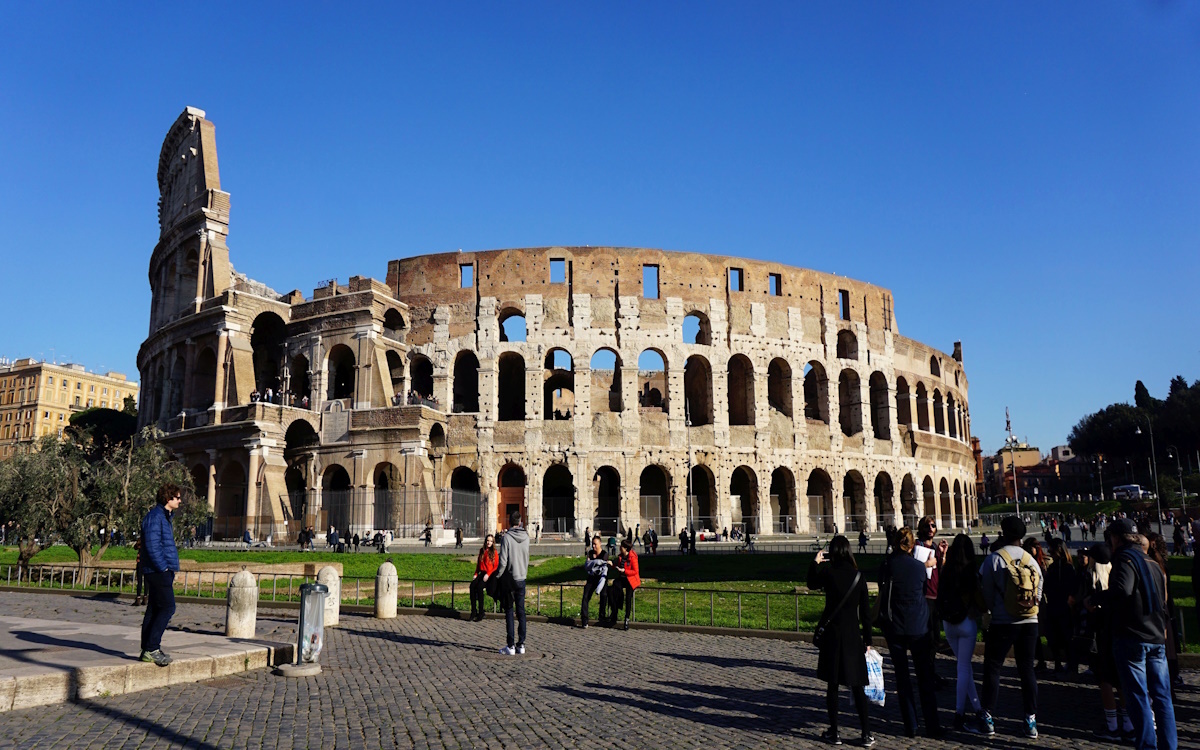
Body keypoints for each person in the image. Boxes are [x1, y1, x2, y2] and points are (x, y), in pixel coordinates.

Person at [1108, 519, 1177, 750]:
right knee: (1162, 698)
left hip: (1133, 636)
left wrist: (1095, 600)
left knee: (1138, 698)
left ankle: (1147, 746)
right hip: (1156, 636)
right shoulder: (1153, 561)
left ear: (1116, 538)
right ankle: (1170, 746)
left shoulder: (1125, 557)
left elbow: (1121, 590)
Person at [978, 515, 1042, 739]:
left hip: (1003, 622)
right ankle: (1030, 720)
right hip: (1030, 622)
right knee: (1027, 670)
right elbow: (1039, 593)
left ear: (1003, 534)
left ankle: (987, 717)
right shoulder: (1032, 561)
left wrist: (994, 610)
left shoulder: (995, 559)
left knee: (993, 668)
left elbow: (985, 593)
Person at [808, 535, 874, 747]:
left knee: (833, 686)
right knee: (857, 686)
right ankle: (866, 734)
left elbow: (811, 583)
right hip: (853, 636)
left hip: (833, 636)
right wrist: (868, 640)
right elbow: (865, 613)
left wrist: (815, 562)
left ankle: (834, 732)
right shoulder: (858, 576)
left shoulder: (828, 573)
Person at [880, 526, 941, 739]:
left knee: (902, 678)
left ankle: (911, 726)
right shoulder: (918, 567)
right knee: (924, 676)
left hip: (895, 626)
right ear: (912, 545)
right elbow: (923, 590)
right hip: (918, 626)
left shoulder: (887, 565)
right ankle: (932, 725)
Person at [937, 533, 985, 733]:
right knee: (963, 668)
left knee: (964, 668)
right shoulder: (971, 570)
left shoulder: (947, 569)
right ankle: (959, 714)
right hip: (966, 622)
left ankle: (978, 708)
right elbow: (980, 600)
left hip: (948, 622)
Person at [139, 484, 182, 667]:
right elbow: (152, 545)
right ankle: (152, 648)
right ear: (168, 499)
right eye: (177, 497)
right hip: (158, 571)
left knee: (154, 609)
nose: (180, 500)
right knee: (167, 608)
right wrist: (163, 568)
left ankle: (148, 649)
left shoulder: (164, 517)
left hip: (161, 570)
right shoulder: (155, 517)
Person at [496, 511, 530, 655]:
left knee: (509, 611)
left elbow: (503, 561)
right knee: (521, 612)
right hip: (522, 577)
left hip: (510, 578)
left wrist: (497, 575)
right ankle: (521, 644)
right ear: (520, 522)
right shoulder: (527, 537)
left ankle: (510, 646)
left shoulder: (507, 538)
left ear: (509, 522)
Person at [1043, 538, 1078, 673]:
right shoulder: (1053, 567)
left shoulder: (1067, 567)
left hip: (1063, 607)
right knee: (1053, 637)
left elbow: (1068, 587)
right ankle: (1058, 663)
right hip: (1053, 605)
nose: (1049, 552)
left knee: (1066, 637)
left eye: (1051, 549)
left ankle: (1070, 665)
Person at [607, 538, 641, 630]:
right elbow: (617, 565)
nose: (619, 547)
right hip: (622, 579)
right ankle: (615, 612)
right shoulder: (621, 556)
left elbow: (635, 571)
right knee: (612, 589)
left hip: (630, 579)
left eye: (621, 546)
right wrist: (612, 564)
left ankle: (627, 618)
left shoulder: (632, 557)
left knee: (628, 598)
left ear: (626, 548)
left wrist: (624, 571)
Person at [579, 535, 608, 628]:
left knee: (604, 595)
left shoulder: (604, 553)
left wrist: (592, 563)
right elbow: (587, 565)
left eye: (595, 544)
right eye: (592, 544)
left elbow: (603, 566)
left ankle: (602, 617)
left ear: (600, 544)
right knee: (585, 596)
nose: (594, 546)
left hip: (601, 578)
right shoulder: (590, 553)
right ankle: (584, 619)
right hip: (591, 577)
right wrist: (594, 563)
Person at [470, 534, 498, 621]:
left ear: (493, 542)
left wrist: (488, 574)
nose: (489, 542)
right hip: (481, 572)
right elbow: (479, 564)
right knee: (472, 586)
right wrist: (475, 573)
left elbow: (496, 566)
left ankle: (481, 611)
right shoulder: (482, 550)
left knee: (479, 587)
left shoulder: (494, 552)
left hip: (489, 574)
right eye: (487, 541)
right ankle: (474, 610)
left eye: (490, 541)